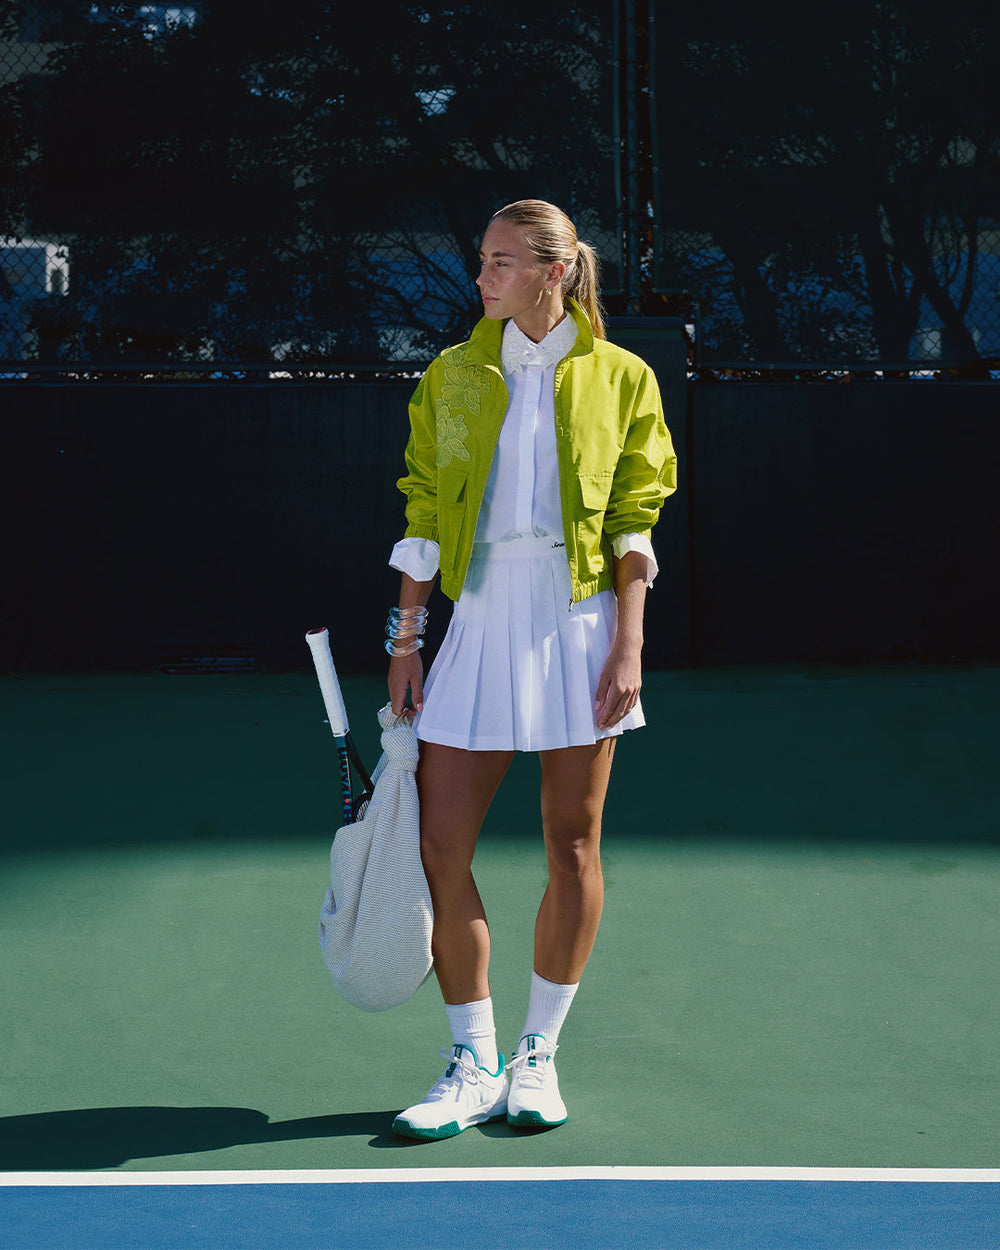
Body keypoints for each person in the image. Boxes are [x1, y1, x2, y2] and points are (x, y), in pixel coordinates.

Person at [386, 199, 676, 1141]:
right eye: (482, 261)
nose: (483, 278)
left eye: (503, 262)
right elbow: (423, 503)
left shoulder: (624, 378)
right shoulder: (453, 373)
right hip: (478, 617)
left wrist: (627, 643)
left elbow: (638, 514)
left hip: (581, 619)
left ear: (555, 272)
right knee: (439, 849)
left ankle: (537, 1056)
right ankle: (472, 1058)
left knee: (574, 846)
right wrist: (406, 639)